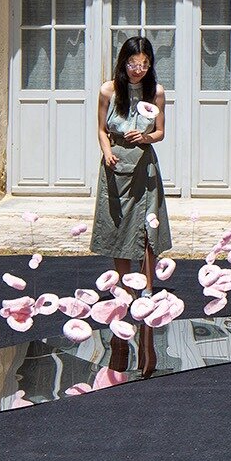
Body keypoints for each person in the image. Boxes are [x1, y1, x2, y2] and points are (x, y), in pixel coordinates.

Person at [91, 37, 174, 378]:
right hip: (115, 165)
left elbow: (161, 132)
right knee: (118, 224)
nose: (138, 71)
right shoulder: (108, 91)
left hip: (144, 165)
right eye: (132, 65)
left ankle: (148, 286)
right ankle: (125, 286)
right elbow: (100, 129)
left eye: (144, 65)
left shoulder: (157, 93)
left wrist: (148, 137)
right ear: (122, 63)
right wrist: (107, 150)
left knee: (146, 225)